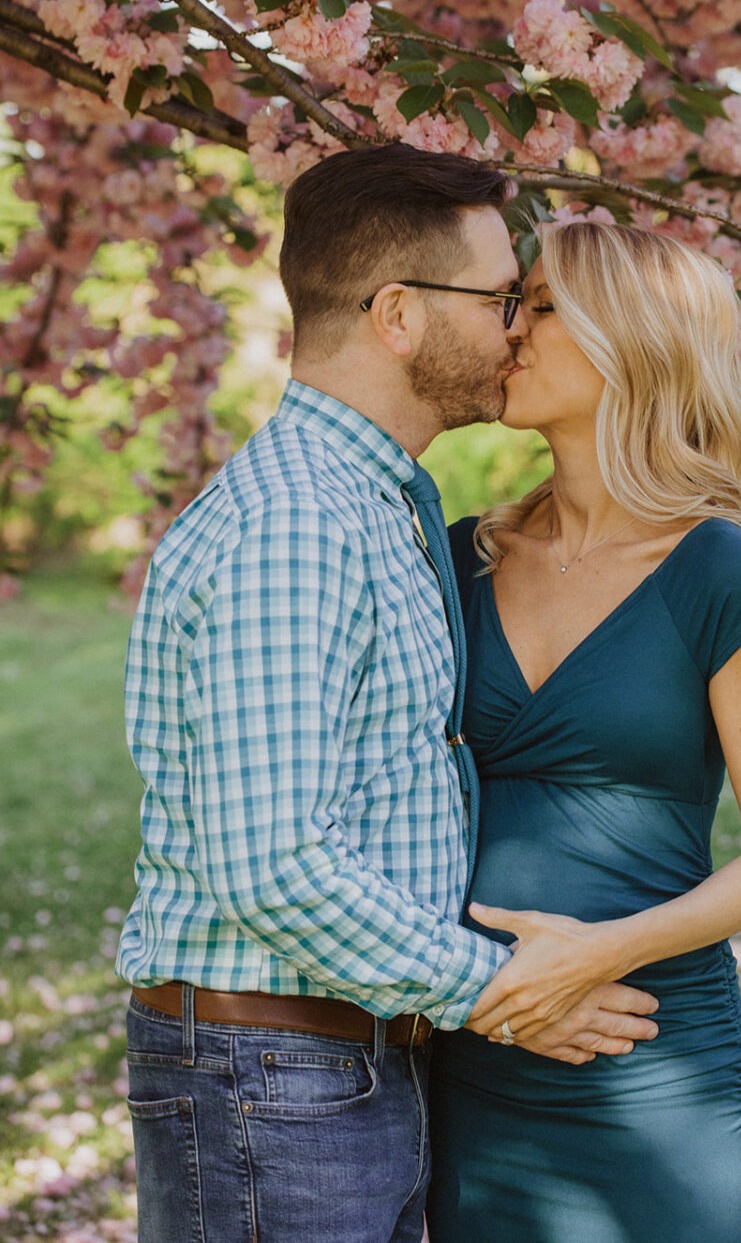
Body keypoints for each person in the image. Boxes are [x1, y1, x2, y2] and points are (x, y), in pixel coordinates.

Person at [116, 147, 658, 1243]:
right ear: (399, 315)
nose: (518, 325)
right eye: (502, 296)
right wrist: (500, 992)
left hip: (334, 1064)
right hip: (275, 1077)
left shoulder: (380, 506)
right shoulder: (298, 525)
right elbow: (273, 864)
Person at [428, 219, 741, 1243]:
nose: (509, 330)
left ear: (630, 342)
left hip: (643, 1060)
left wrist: (594, 955)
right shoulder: (461, 556)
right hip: (473, 1050)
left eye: (544, 307)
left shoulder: (714, 567)